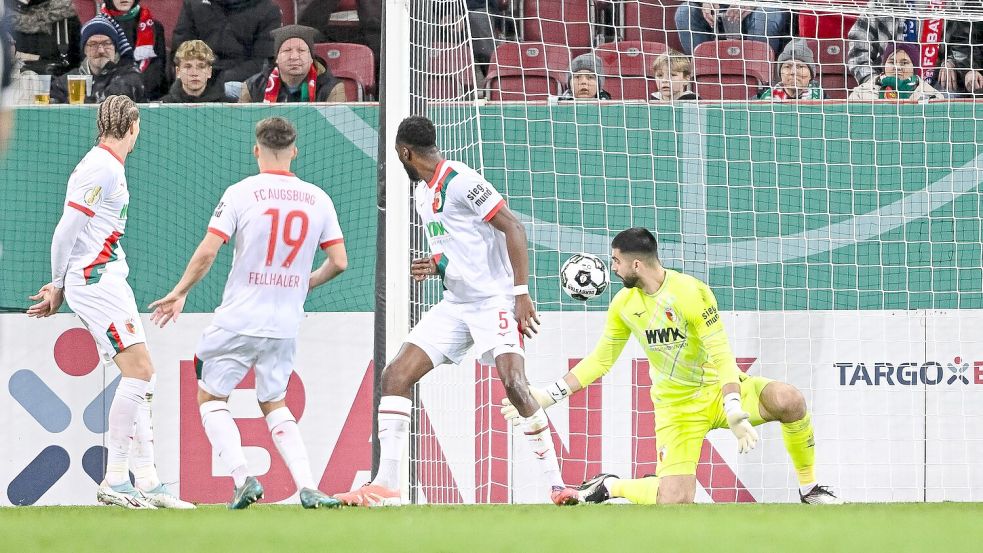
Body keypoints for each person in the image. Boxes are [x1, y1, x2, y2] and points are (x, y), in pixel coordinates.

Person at [331, 115, 580, 507]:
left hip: (494, 300)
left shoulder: (462, 180)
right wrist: (436, 265)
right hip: (456, 305)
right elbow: (456, 245)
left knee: (515, 385)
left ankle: (558, 484)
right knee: (395, 375)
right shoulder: (421, 193)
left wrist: (521, 293)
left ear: (404, 152)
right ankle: (386, 485)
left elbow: (512, 227)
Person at [501, 228, 842, 505]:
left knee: (790, 399)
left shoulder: (691, 292)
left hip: (717, 392)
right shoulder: (623, 304)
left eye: (617, 261)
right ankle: (613, 486)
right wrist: (548, 395)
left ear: (636, 264)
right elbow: (601, 361)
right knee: (676, 499)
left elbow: (721, 352)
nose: (613, 268)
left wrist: (733, 403)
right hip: (677, 410)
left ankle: (810, 490)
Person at [149, 116, 348, 510]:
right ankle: (307, 485)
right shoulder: (318, 198)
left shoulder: (242, 193)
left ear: (256, 150)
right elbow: (339, 262)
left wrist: (179, 292)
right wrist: (302, 283)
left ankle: (243, 478)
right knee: (274, 401)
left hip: (239, 318)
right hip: (285, 323)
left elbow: (209, 251)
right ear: (294, 151)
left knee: (210, 395)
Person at [26, 96, 193, 510]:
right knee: (140, 372)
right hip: (97, 280)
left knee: (143, 378)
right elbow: (65, 231)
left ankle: (149, 480)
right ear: (132, 126)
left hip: (108, 277)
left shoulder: (105, 165)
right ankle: (116, 478)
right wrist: (57, 283)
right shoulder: (101, 167)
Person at [846, 0, 959, 94]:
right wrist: (873, 82)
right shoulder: (879, 4)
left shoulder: (945, 4)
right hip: (884, 83)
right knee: (862, 99)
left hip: (934, 83)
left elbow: (960, 43)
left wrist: (950, 62)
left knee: (950, 98)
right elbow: (857, 53)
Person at [171, 0, 281, 86]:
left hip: (240, 83)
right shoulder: (194, 4)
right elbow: (181, 50)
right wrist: (201, 74)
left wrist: (219, 81)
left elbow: (263, 62)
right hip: (198, 76)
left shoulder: (268, 9)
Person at [239, 24, 345, 103]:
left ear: (311, 58)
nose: (294, 57)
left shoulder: (332, 89)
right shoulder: (252, 87)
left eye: (301, 50)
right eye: (287, 50)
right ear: (276, 58)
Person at [50, 15, 144, 103]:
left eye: (106, 43)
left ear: (115, 49)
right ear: (85, 50)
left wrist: (108, 68)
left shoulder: (130, 74)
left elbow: (109, 103)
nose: (101, 50)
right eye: (93, 44)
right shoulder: (68, 81)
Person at [98, 0, 167, 100]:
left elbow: (156, 71)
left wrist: (136, 91)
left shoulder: (154, 27)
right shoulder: (95, 28)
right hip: (107, 98)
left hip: (145, 98)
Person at [675, 2, 790, 57]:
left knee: (765, 16)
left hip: (761, 6)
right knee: (685, 12)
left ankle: (761, 80)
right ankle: (702, 74)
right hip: (718, 8)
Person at [5, 0, 81, 75]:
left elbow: (80, 66)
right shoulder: (4, 15)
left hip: (57, 82)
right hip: (12, 82)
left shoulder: (69, 11)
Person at [848, 42, 944, 101]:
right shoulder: (861, 92)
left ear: (915, 68)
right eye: (891, 62)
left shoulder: (933, 96)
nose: (897, 67)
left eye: (904, 63)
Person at [161, 39, 229, 102]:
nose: (194, 73)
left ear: (209, 72)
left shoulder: (229, 107)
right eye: (188, 67)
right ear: (178, 72)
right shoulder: (163, 106)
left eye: (201, 67)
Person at [758, 38, 825, 100]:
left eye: (800, 67)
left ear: (811, 74)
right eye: (787, 67)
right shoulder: (760, 102)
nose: (793, 72)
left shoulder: (825, 101)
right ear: (780, 73)